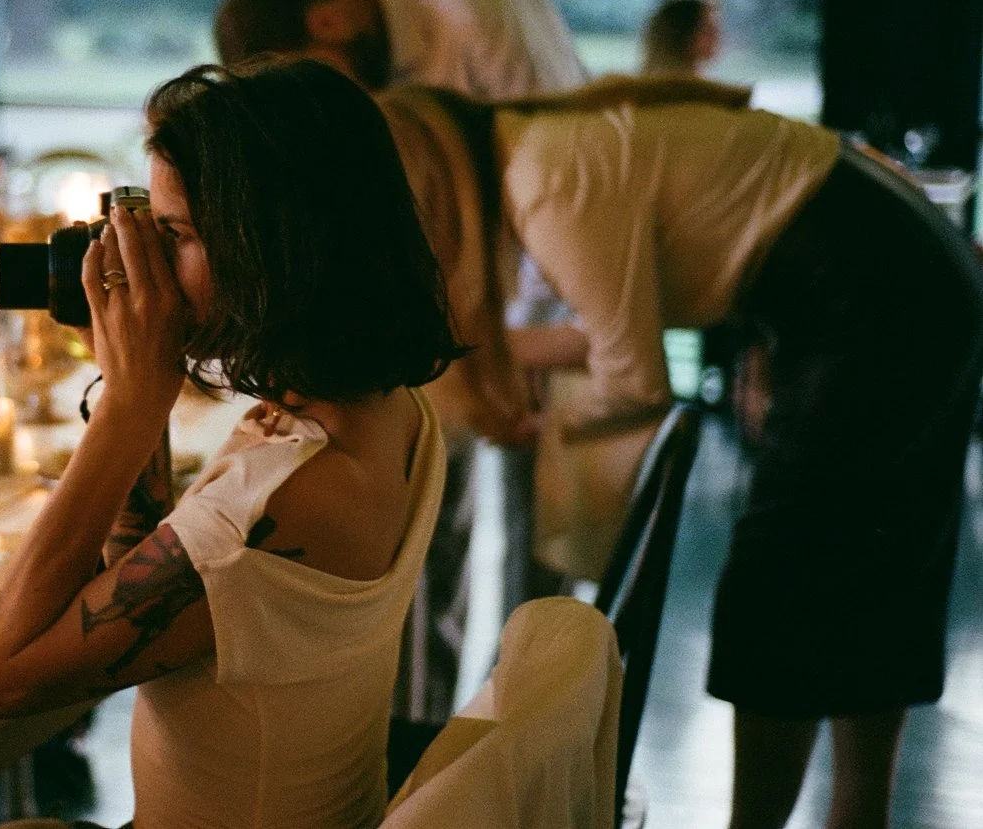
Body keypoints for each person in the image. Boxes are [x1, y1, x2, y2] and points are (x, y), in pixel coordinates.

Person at [378, 79, 983, 829]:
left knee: (777, 583)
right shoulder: (535, 149)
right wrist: (487, 360)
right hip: (907, 266)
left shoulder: (542, 184)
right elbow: (622, 332)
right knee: (874, 570)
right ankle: (858, 813)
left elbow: (632, 376)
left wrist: (536, 425)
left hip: (871, 288)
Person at [0, 58, 465, 828]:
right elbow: (143, 560)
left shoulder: (273, 510)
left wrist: (129, 407)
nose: (145, 265)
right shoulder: (379, 412)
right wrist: (136, 386)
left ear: (271, 247)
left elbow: (2, 682)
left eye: (173, 234)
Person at [215, 0, 589, 785]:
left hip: (510, 319)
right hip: (464, 346)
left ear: (327, 26)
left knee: (433, 567)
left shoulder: (452, 63)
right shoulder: (400, 104)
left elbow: (469, 263)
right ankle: (449, 752)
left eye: (308, 79)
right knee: (435, 561)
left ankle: (430, 759)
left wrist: (493, 371)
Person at [214, 0, 588, 97]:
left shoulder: (473, 8)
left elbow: (556, 145)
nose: (318, 101)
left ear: (327, 23)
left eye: (309, 79)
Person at [641, 0, 722, 77]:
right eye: (707, 28)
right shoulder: (673, 85)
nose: (716, 34)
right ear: (684, 35)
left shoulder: (651, 79)